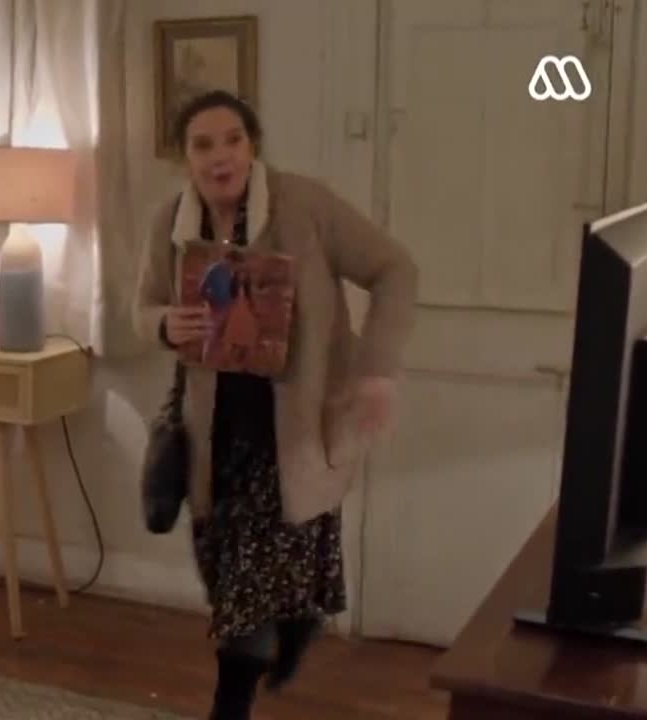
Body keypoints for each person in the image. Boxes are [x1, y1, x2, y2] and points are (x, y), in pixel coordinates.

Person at [133, 90, 418, 719]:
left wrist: (376, 370)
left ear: (253, 145)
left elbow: (395, 269)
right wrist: (164, 324)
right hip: (213, 436)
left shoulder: (306, 206)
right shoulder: (170, 224)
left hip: (291, 430)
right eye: (203, 145)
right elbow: (143, 307)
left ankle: (231, 703)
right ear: (184, 157)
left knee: (248, 592)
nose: (220, 157)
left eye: (233, 140)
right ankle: (296, 626)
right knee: (229, 577)